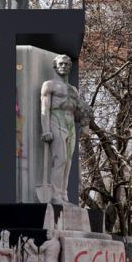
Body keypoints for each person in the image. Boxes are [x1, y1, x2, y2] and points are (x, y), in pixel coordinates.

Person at [40, 54, 90, 205]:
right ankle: (55, 195)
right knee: (60, 159)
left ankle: (63, 195)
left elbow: (78, 112)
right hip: (56, 121)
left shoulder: (73, 90)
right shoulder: (49, 85)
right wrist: (46, 130)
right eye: (61, 64)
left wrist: (86, 119)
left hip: (70, 124)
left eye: (67, 64)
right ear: (55, 66)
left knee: (68, 162)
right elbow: (44, 108)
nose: (64, 66)